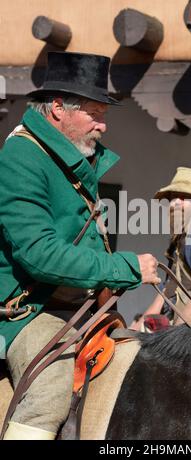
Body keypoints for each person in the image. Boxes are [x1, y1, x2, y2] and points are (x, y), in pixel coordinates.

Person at [0, 52, 160, 440]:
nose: (103, 126)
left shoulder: (67, 157)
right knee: (49, 392)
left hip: (81, 308)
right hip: (28, 311)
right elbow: (39, 254)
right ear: (57, 108)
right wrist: (127, 269)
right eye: (94, 114)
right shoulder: (21, 156)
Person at [130, 167, 191, 330]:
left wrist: (176, 335)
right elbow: (166, 291)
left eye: (184, 198)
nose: (175, 202)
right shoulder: (182, 237)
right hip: (173, 322)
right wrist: (138, 328)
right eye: (173, 197)